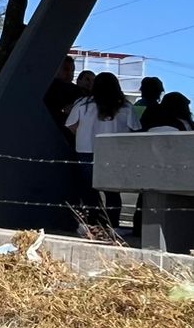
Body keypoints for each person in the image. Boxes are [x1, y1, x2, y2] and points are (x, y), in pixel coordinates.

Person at [66, 71, 138, 234]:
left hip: (85, 149)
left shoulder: (83, 104)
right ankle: (112, 226)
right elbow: (135, 130)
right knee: (112, 191)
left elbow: (70, 125)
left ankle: (90, 223)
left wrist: (82, 134)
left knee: (88, 189)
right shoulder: (125, 107)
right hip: (114, 153)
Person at [44, 56, 83, 131]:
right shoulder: (49, 89)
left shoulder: (77, 91)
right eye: (66, 69)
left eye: (72, 71)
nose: (70, 74)